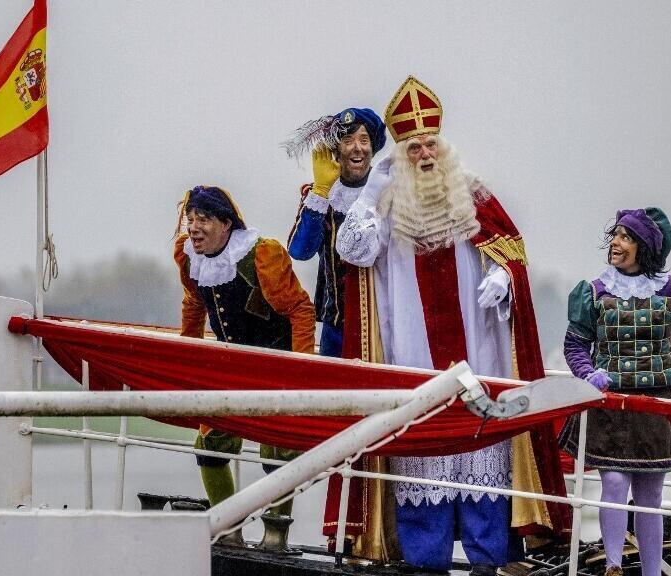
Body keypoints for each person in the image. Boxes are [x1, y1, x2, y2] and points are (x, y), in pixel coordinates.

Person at [336, 75, 553, 575]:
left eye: (431, 143)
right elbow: (353, 252)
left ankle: (489, 562)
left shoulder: (472, 194)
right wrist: (369, 193)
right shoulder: (386, 205)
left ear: (444, 145)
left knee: (482, 458)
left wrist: (502, 276)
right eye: (413, 147)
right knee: (423, 461)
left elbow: (512, 249)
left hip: (482, 357)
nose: (424, 154)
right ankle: (424, 564)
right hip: (411, 356)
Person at [561, 207, 671, 576]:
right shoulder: (594, 290)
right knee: (615, 483)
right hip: (613, 404)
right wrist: (588, 373)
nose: (616, 243)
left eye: (625, 237)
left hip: (657, 402)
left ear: (644, 247)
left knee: (651, 495)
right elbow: (575, 345)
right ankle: (615, 566)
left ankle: (652, 571)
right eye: (615, 235)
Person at [173, 185, 316, 546]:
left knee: (278, 450)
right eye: (190, 219)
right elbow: (194, 303)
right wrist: (185, 355)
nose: (193, 227)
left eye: (203, 219)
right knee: (209, 445)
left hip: (275, 362)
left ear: (226, 223)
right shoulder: (190, 257)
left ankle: (276, 533)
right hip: (228, 365)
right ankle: (229, 528)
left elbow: (301, 309)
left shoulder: (261, 255)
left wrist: (302, 367)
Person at [285, 107, 387, 358]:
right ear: (336, 150)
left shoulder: (389, 191)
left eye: (364, 140)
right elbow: (300, 251)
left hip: (382, 322)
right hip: (336, 328)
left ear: (372, 149)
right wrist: (320, 191)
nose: (357, 148)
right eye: (348, 140)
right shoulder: (320, 195)